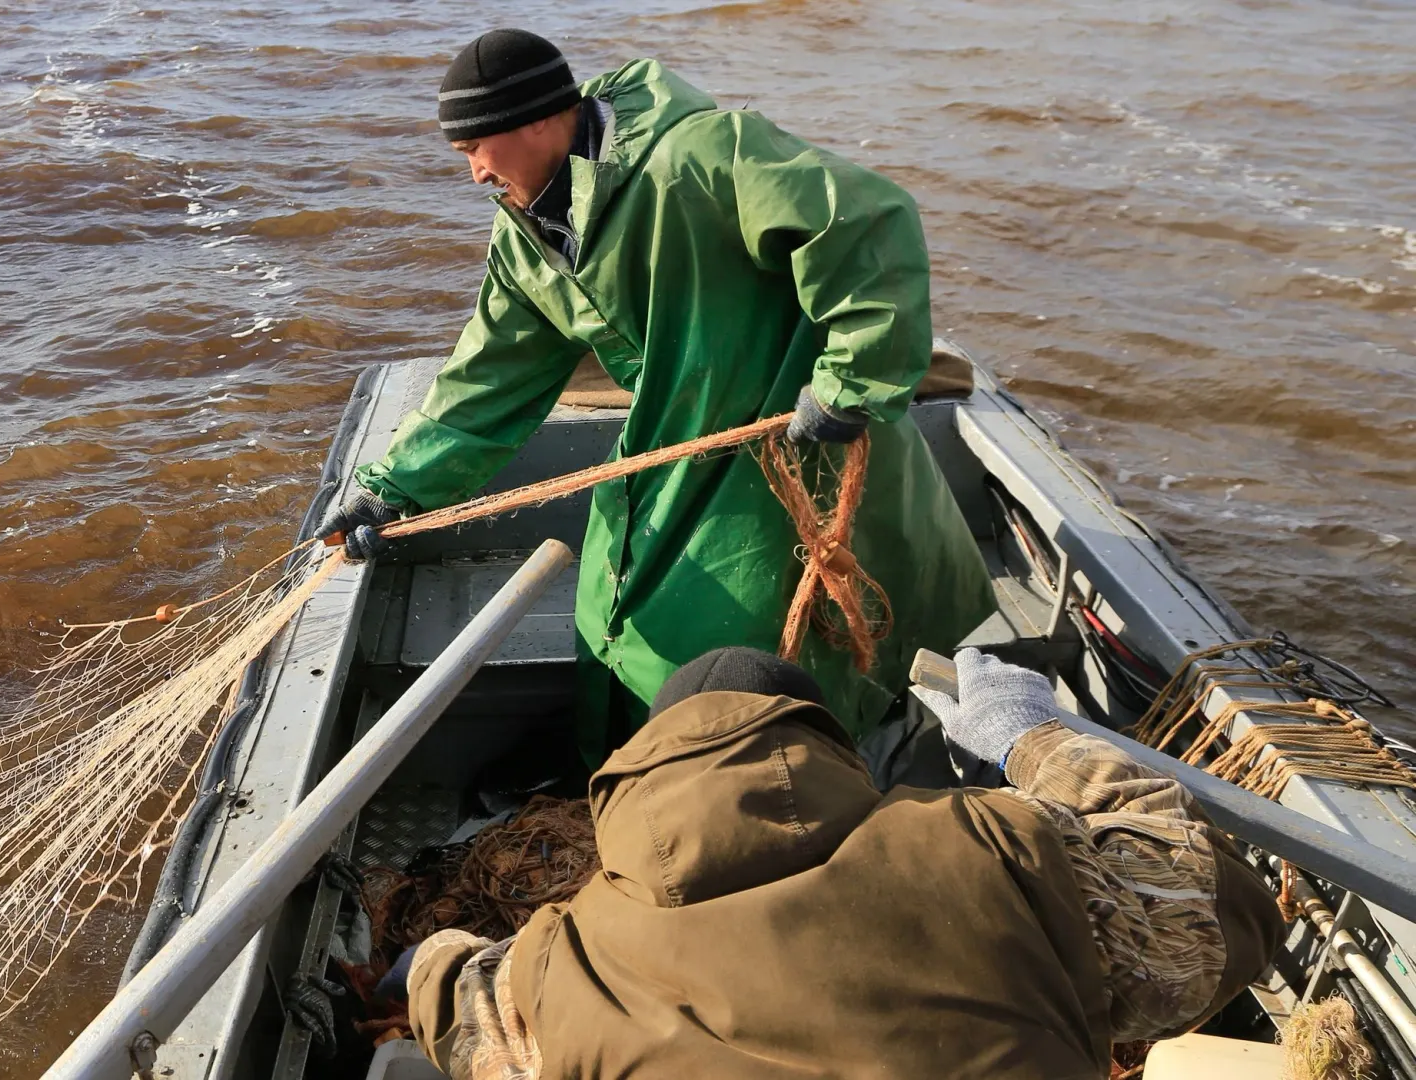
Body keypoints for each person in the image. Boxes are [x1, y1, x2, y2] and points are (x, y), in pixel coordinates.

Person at [314, 29, 995, 764]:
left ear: (542, 120)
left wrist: (849, 386)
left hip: (797, 443)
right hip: (677, 438)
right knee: (610, 608)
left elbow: (865, 218)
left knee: (740, 636)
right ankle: (629, 779)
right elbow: (491, 373)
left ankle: (816, 778)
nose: (475, 173)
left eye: (476, 149)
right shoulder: (527, 234)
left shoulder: (700, 156)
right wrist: (394, 491)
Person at [390, 647, 1285, 1080]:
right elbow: (1210, 926)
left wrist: (418, 964)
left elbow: (456, 1004)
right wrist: (1030, 738)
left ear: (637, 773)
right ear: (827, 750)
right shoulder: (1001, 844)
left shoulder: (551, 967)